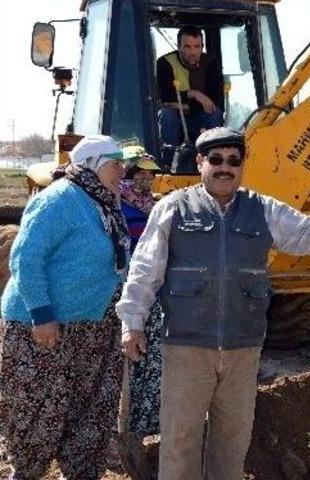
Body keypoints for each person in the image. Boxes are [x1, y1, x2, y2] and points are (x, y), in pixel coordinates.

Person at [116, 127, 310, 479]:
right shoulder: (173, 208)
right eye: (215, 160)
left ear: (243, 164)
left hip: (242, 347)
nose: (224, 167)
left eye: (233, 160)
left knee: (233, 437)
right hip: (185, 345)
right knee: (180, 435)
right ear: (200, 162)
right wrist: (132, 322)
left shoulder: (263, 209)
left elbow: (308, 233)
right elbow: (144, 270)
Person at [0, 135, 130, 479]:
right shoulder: (59, 199)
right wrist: (41, 314)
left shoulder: (103, 202)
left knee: (89, 414)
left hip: (93, 327)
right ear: (93, 165)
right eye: (116, 164)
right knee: (36, 414)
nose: (123, 171)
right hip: (44, 329)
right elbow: (25, 258)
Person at [116, 145, 163, 472]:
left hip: (156, 298)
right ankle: (121, 439)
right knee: (124, 369)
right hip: (121, 295)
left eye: (150, 175)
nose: (145, 181)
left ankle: (145, 433)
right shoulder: (115, 207)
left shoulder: (157, 207)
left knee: (152, 364)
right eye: (139, 175)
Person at [157, 25, 224, 152]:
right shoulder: (165, 63)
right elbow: (165, 97)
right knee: (167, 114)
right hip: (176, 121)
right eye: (187, 47)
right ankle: (170, 158)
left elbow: (214, 100)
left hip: (200, 119)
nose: (193, 52)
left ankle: (212, 156)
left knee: (214, 113)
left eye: (197, 47)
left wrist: (182, 105)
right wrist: (194, 94)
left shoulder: (211, 63)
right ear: (179, 47)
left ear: (202, 47)